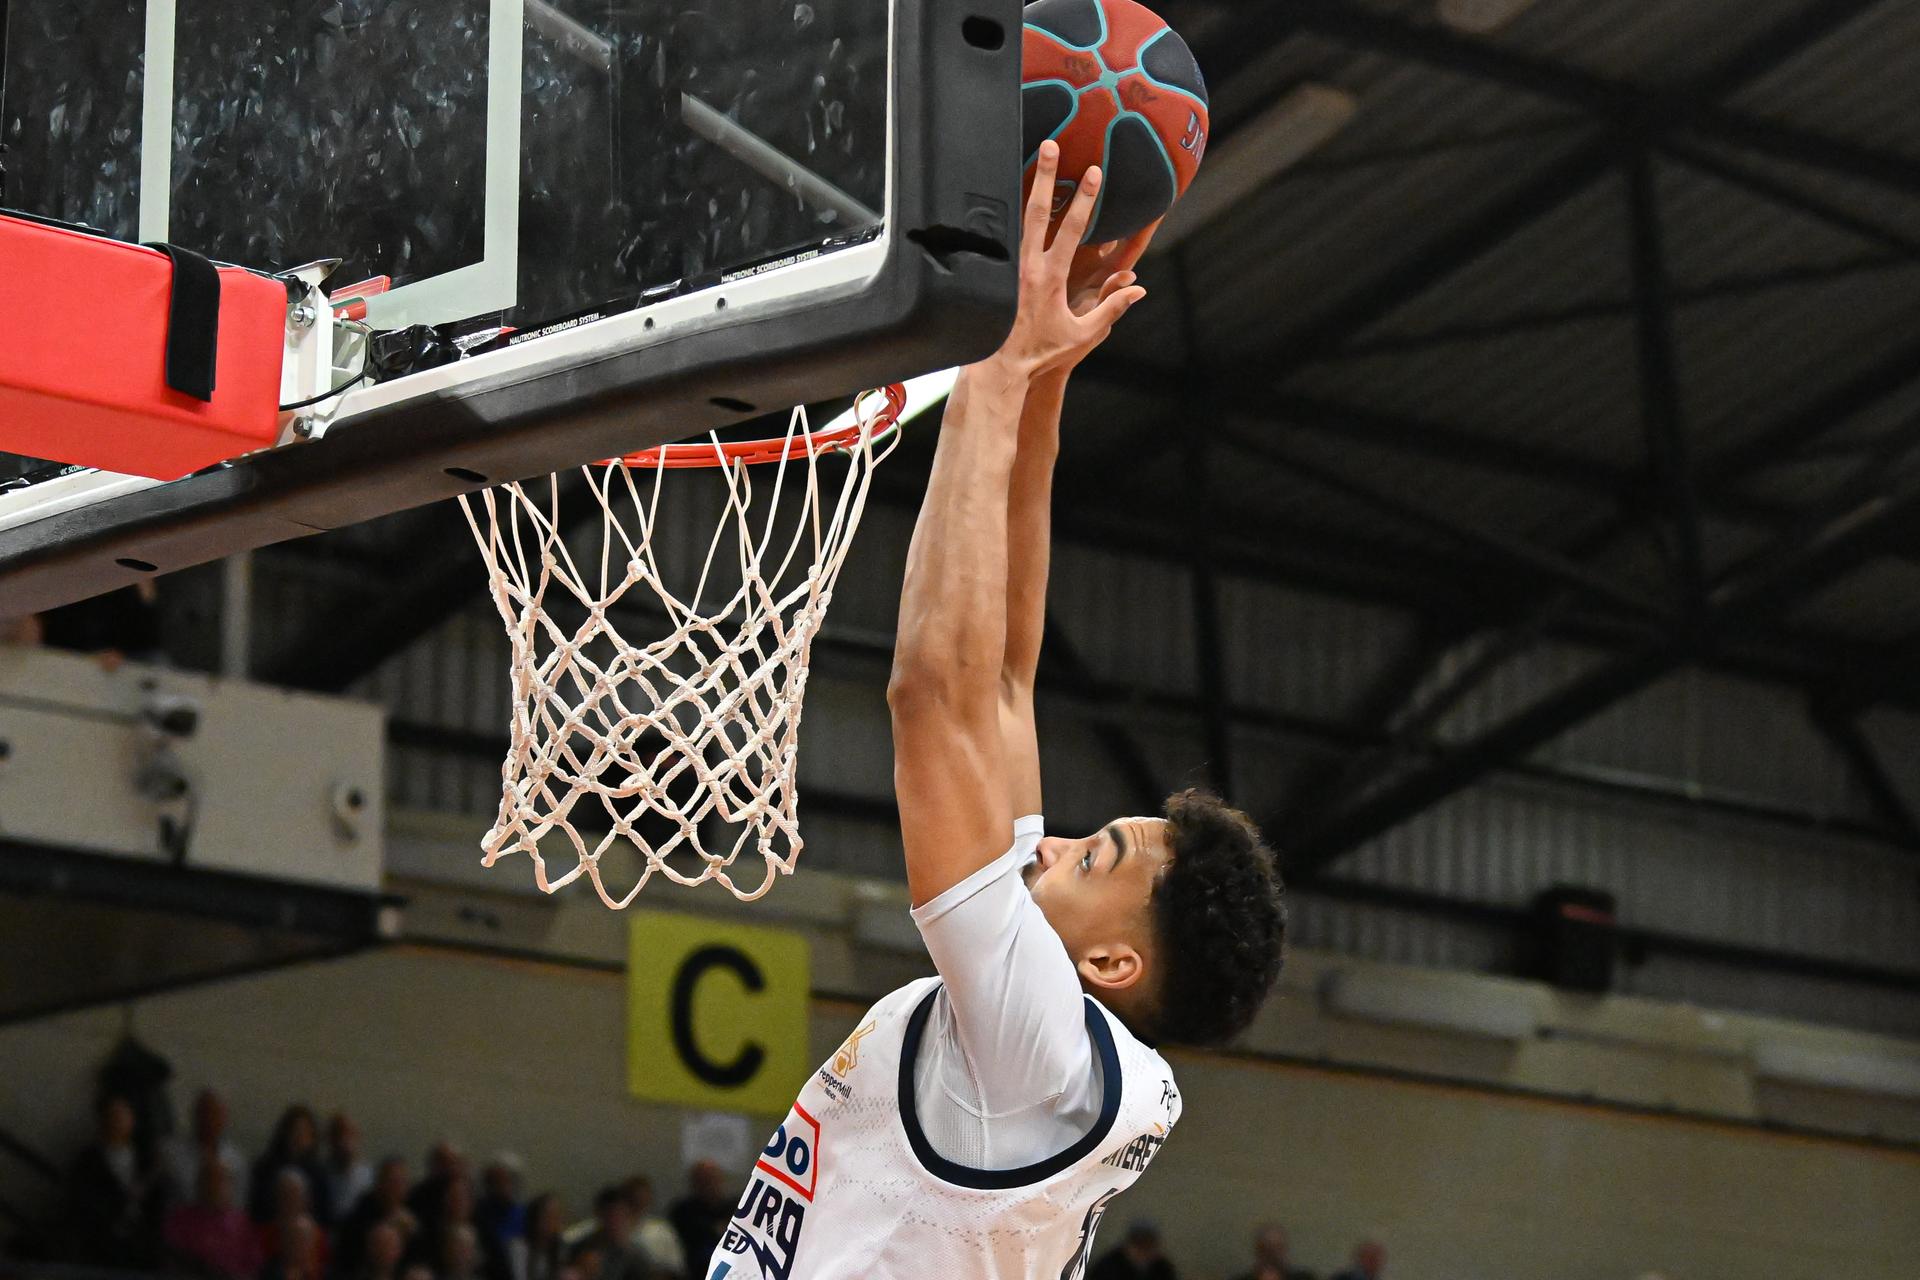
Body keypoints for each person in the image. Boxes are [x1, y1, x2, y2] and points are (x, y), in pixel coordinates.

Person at [700, 141, 1287, 1280]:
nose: (1063, 835)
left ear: (1116, 960)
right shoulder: (1044, 1037)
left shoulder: (1036, 1051)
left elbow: (936, 692)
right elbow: (1005, 669)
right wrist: (1044, 373)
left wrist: (993, 370)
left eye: (1097, 851)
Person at [61, 1093, 163, 1267]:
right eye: (113, 1116)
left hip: (143, 1245)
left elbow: (158, 1200)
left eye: (123, 1116)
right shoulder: (88, 1162)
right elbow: (83, 1204)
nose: (117, 1121)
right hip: (103, 1245)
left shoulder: (146, 1160)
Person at [163, 1160, 262, 1280]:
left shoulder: (243, 1225)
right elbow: (171, 1261)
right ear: (198, 1184)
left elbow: (253, 1268)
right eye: (208, 1180)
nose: (214, 1187)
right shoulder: (179, 1220)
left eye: (220, 1181)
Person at [164, 1089, 247, 1208]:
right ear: (195, 1115)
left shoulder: (235, 1161)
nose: (209, 1119)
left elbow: (238, 1205)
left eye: (215, 1114)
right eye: (204, 1113)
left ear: (224, 1119)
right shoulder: (171, 1153)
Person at [248, 1106, 331, 1225]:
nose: (299, 1136)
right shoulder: (265, 1167)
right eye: (295, 1130)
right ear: (285, 1133)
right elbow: (257, 1209)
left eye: (305, 1132)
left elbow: (323, 1216)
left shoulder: (319, 1174)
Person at [336, 1157, 415, 1276]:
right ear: (378, 1184)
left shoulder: (413, 1213)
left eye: (400, 1182)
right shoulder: (361, 1213)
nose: (394, 1187)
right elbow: (349, 1256)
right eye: (390, 1181)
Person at [665, 1163, 729, 1278]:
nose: (711, 1185)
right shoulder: (683, 1210)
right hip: (696, 1268)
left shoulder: (734, 1208)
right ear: (695, 1184)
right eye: (705, 1181)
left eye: (714, 1179)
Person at [573, 1186, 647, 1280]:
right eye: (610, 1216)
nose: (614, 1222)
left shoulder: (636, 1258)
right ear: (599, 1215)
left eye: (619, 1216)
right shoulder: (579, 1250)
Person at [620, 1177, 682, 1280]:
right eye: (634, 1196)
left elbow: (675, 1267)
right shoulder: (610, 1229)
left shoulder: (661, 1230)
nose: (638, 1200)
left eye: (642, 1196)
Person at [324, 1114, 374, 1227]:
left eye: (350, 1135)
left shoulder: (367, 1175)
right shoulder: (321, 1174)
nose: (344, 1141)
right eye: (340, 1135)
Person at [1088, 1220, 1179, 1280]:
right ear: (1128, 1245)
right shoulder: (1108, 1266)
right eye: (1138, 1245)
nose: (1143, 1251)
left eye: (1148, 1245)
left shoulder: (1163, 1268)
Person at [514, 1193, 568, 1280]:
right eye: (551, 1216)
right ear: (536, 1220)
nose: (558, 1221)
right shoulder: (519, 1249)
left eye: (558, 1215)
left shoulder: (560, 1246)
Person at [1232, 1224, 1315, 1280]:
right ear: (1257, 1252)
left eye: (1278, 1248)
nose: (1273, 1255)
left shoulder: (1304, 1278)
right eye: (1267, 1249)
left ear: (1285, 1250)